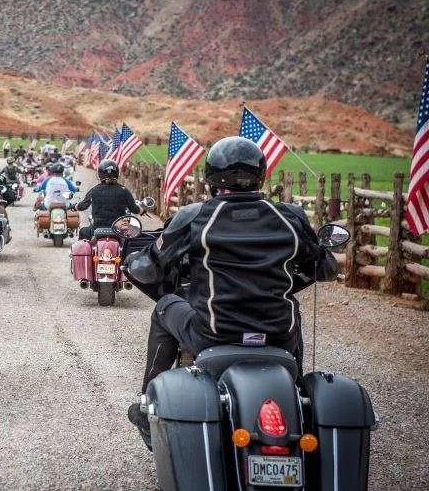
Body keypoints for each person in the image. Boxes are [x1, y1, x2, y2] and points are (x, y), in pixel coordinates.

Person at [124, 136, 338, 436]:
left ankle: (147, 407)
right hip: (278, 338)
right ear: (260, 174)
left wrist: (134, 258)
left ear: (211, 176)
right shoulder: (290, 217)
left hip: (213, 334)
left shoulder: (196, 215)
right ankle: (296, 389)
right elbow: (325, 268)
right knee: (292, 309)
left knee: (164, 308)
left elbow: (146, 270)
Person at [75, 159, 145, 240]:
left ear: (100, 174)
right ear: (117, 173)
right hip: (118, 229)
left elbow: (83, 206)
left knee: (83, 232)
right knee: (135, 235)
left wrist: (75, 206)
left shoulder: (94, 190)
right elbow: (134, 209)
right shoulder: (123, 191)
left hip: (97, 228)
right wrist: (142, 210)